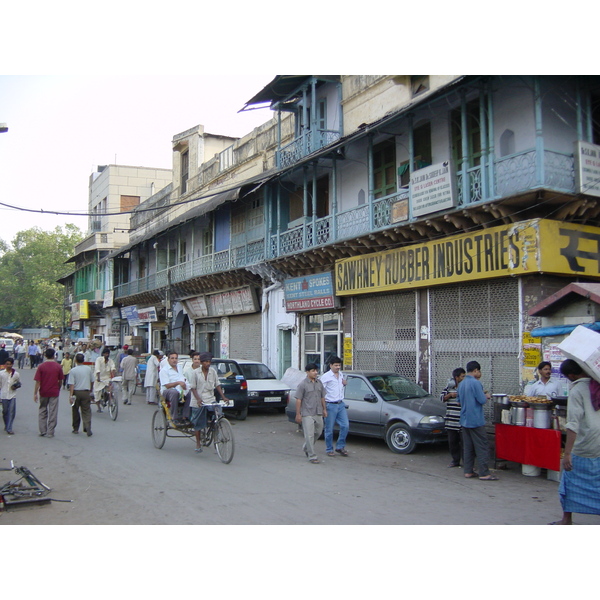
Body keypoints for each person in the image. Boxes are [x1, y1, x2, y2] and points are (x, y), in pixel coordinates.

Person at [550, 359, 600, 525]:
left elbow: (573, 424)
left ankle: (566, 519)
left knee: (568, 479)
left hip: (584, 443)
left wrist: (567, 453)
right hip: (598, 441)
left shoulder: (577, 390)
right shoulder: (597, 384)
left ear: (571, 375)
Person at [458, 360, 498, 480]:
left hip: (464, 419)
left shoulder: (461, 383)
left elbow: (459, 401)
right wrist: (486, 396)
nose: (480, 374)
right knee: (482, 446)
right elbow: (481, 400)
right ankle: (484, 473)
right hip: (475, 419)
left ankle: (468, 471)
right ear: (475, 371)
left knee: (468, 446)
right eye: (479, 371)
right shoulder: (476, 383)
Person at [187, 352, 229, 452]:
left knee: (218, 415)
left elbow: (217, 384)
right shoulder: (195, 373)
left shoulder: (213, 372)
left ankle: (216, 436)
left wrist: (223, 397)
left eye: (209, 361)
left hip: (210, 399)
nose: (208, 363)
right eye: (206, 361)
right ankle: (198, 443)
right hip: (198, 400)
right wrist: (198, 399)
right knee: (198, 423)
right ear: (201, 362)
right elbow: (193, 388)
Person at [295, 363, 327, 464]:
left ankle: (306, 447)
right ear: (307, 372)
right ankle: (312, 456)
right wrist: (298, 414)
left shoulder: (319, 383)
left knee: (318, 432)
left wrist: (324, 409)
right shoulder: (303, 384)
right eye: (313, 371)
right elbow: (298, 400)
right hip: (307, 413)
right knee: (309, 435)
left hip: (318, 412)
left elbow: (322, 397)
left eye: (316, 371)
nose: (315, 373)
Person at [320, 356, 349, 457]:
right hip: (330, 405)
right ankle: (329, 449)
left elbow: (341, 385)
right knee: (329, 429)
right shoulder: (326, 377)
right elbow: (320, 392)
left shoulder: (341, 374)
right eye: (336, 365)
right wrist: (323, 408)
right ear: (330, 365)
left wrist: (344, 383)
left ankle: (340, 446)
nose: (337, 367)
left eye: (339, 365)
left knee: (345, 425)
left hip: (340, 404)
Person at [33, 347, 64, 437]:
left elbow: (38, 381)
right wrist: (58, 388)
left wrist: (35, 393)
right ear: (54, 355)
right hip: (54, 392)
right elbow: (61, 380)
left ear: (45, 355)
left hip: (43, 391)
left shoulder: (41, 366)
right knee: (53, 411)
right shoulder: (58, 366)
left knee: (42, 409)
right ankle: (51, 431)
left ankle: (42, 430)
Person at [440, 367, 466, 468]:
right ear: (457, 377)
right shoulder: (449, 387)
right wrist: (450, 395)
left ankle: (466, 462)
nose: (464, 378)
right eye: (462, 376)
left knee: (465, 443)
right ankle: (455, 460)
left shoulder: (465, 387)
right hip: (451, 420)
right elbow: (442, 398)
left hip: (463, 420)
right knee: (453, 442)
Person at [159, 351, 191, 425]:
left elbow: (182, 378)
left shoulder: (179, 368)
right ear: (168, 360)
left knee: (190, 393)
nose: (174, 360)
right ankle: (174, 417)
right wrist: (178, 383)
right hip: (167, 391)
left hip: (179, 388)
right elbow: (167, 385)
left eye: (176, 358)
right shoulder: (164, 370)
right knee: (174, 393)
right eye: (172, 358)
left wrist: (184, 384)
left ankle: (185, 416)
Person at [68, 353, 94, 436]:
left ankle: (75, 428)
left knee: (75, 410)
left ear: (75, 360)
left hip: (76, 392)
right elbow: (92, 381)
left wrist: (71, 396)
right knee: (86, 410)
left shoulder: (73, 370)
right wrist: (90, 389)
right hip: (86, 392)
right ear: (83, 360)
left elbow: (71, 384)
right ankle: (87, 426)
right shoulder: (88, 369)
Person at [1, 357, 21, 434]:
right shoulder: (1, 374)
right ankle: (6, 425)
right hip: (4, 395)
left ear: (12, 364)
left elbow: (19, 383)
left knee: (12, 412)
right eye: (7, 364)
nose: (8, 365)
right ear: (5, 365)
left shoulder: (16, 374)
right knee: (5, 411)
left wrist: (16, 386)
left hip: (13, 395)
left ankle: (9, 428)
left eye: (10, 364)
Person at [93, 348, 116, 413]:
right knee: (97, 393)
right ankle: (98, 407)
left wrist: (113, 375)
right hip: (99, 378)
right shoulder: (99, 360)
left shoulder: (110, 361)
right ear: (103, 354)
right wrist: (98, 378)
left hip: (107, 378)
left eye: (108, 354)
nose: (107, 355)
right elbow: (97, 369)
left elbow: (113, 367)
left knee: (110, 389)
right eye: (105, 353)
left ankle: (108, 399)